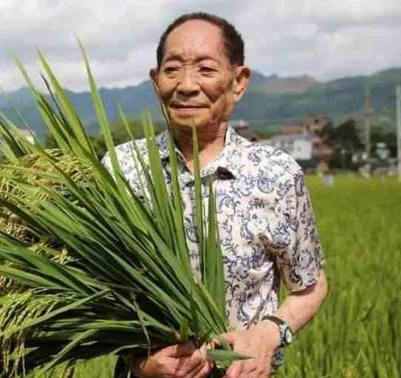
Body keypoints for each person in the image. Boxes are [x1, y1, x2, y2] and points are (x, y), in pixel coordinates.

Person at [106, 12, 328, 378]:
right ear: (155, 80)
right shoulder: (123, 169)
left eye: (206, 69)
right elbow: (98, 288)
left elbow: (311, 285)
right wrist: (140, 363)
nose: (187, 85)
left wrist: (268, 333)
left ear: (238, 81)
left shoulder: (276, 174)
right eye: (172, 69)